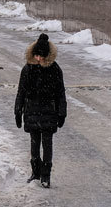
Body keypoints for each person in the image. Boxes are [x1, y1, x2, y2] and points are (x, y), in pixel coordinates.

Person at [14, 33, 66, 189]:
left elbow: (60, 93)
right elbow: (21, 91)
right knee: (34, 144)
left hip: (49, 112)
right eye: (36, 56)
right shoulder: (27, 69)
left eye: (41, 56)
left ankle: (46, 175)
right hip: (32, 111)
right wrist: (18, 110)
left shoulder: (55, 69)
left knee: (47, 144)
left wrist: (62, 112)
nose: (38, 59)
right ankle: (35, 172)